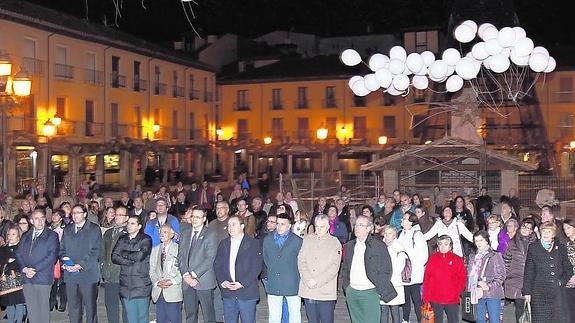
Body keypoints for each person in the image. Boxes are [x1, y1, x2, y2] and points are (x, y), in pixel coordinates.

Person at [341, 215, 397, 323]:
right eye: (356, 225)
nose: (357, 227)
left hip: (370, 292)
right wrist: (347, 287)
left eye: (361, 225)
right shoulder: (349, 246)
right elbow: (346, 268)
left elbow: (386, 270)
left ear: (369, 229)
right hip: (352, 291)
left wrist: (379, 290)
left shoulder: (378, 245)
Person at [214, 216, 263, 323]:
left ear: (242, 226)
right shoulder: (224, 244)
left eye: (233, 224)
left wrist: (242, 283)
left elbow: (256, 266)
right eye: (229, 225)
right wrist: (222, 281)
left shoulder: (253, 243)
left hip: (247, 291)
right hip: (228, 291)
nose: (230, 227)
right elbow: (217, 264)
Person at [523, 221, 573, 323]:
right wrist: (527, 291)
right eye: (544, 231)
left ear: (553, 234)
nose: (546, 234)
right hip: (538, 293)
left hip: (557, 293)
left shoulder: (561, 248)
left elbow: (568, 269)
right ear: (540, 232)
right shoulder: (533, 247)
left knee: (557, 319)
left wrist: (561, 282)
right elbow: (529, 271)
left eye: (549, 232)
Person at [15, 209, 60, 323]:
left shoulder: (51, 235)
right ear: (31, 221)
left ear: (45, 219)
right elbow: (18, 253)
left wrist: (34, 269)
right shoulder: (26, 235)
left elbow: (52, 256)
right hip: (27, 277)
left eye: (42, 218)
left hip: (43, 277)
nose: (40, 221)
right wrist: (24, 269)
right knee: (32, 308)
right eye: (36, 219)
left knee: (42, 309)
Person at [60, 204, 102, 323]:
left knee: (90, 307)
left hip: (87, 273)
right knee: (73, 307)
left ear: (84, 214)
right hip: (70, 274)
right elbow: (62, 249)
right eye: (73, 213)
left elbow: (96, 250)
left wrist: (80, 265)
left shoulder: (94, 229)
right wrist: (65, 263)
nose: (75, 215)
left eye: (78, 213)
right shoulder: (67, 229)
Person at [297, 214, 342, 323]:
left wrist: (317, 281)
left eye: (322, 227)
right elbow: (301, 260)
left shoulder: (334, 242)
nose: (319, 229)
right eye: (317, 226)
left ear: (327, 227)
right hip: (309, 289)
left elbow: (334, 267)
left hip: (325, 291)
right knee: (312, 320)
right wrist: (308, 278)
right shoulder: (307, 239)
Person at [178, 208, 218, 323]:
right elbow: (181, 256)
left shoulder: (211, 234)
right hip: (187, 281)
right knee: (190, 315)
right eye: (193, 217)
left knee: (208, 315)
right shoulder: (185, 233)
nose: (194, 219)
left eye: (198, 217)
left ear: (204, 219)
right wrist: (185, 275)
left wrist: (193, 275)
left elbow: (209, 258)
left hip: (203, 281)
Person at [262, 212, 303, 323]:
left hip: (292, 282)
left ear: (289, 225)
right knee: (274, 315)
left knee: (294, 314)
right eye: (278, 223)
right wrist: (274, 268)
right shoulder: (268, 240)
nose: (279, 227)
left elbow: (301, 261)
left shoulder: (297, 241)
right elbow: (266, 258)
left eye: (283, 224)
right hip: (274, 281)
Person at [112, 215, 153, 323]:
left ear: (139, 226)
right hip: (126, 284)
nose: (129, 226)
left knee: (142, 317)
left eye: (132, 223)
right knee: (131, 317)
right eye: (128, 223)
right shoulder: (122, 239)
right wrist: (128, 260)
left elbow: (140, 256)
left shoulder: (146, 239)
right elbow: (114, 257)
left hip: (141, 283)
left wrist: (123, 253)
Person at [422, 235, 466, 323]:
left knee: (453, 320)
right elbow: (427, 279)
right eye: (440, 244)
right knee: (437, 320)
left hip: (452, 298)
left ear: (450, 246)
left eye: (446, 244)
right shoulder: (432, 259)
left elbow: (462, 278)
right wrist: (426, 297)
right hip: (435, 297)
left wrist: (457, 291)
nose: (443, 247)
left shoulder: (457, 259)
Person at [502, 218, 537, 322]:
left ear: (532, 231)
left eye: (528, 228)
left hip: (532, 279)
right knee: (520, 307)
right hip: (516, 279)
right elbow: (506, 261)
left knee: (533, 308)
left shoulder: (537, 243)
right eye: (524, 227)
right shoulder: (511, 243)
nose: (525, 230)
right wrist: (508, 275)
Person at [467, 231, 506, 323]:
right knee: (479, 320)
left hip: (492, 293)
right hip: (476, 292)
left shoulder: (495, 255)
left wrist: (488, 286)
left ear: (487, 241)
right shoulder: (473, 257)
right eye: (476, 241)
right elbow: (469, 275)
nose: (478, 243)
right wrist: (472, 287)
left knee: (494, 320)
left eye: (481, 240)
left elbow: (501, 276)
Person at [398, 212, 429, 323]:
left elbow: (424, 256)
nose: (402, 220)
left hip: (414, 273)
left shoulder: (417, 234)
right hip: (403, 273)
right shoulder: (401, 233)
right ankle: (405, 319)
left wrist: (412, 267)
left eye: (405, 218)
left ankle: (421, 320)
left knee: (416, 299)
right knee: (405, 299)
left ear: (411, 221)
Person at [101, 207, 129, 323]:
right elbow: (103, 251)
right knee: (111, 305)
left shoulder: (129, 233)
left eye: (121, 215)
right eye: (116, 214)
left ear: (127, 218)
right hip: (109, 275)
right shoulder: (108, 233)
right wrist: (103, 265)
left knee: (126, 307)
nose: (117, 217)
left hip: (123, 275)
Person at [150, 224, 183, 323]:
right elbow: (152, 269)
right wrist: (157, 282)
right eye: (160, 232)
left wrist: (172, 281)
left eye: (165, 232)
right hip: (159, 291)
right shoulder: (155, 249)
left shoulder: (179, 249)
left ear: (172, 235)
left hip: (173, 291)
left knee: (175, 319)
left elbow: (183, 269)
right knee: (161, 319)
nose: (161, 234)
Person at [378, 225, 407, 323]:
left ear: (394, 235)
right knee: (383, 309)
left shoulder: (399, 248)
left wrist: (388, 278)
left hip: (394, 283)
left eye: (389, 233)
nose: (387, 236)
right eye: (385, 233)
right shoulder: (380, 246)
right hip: (383, 283)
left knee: (395, 310)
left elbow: (399, 267)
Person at [0, 225, 26, 323]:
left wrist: (10, 263)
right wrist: (9, 261)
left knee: (19, 303)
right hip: (6, 280)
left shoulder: (22, 248)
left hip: (19, 278)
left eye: (14, 234)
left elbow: (21, 262)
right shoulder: (3, 248)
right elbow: (2, 260)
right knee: (9, 304)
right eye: (9, 234)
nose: (10, 236)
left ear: (19, 236)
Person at [49, 210, 67, 312]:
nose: (54, 216)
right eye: (53, 214)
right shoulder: (48, 228)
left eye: (57, 215)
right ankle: (52, 300)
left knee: (63, 281)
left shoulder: (64, 229)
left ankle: (63, 302)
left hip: (61, 256)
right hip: (52, 257)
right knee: (53, 280)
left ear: (61, 218)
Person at [563, 219, 575, 322]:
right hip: (568, 281)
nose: (566, 230)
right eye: (564, 228)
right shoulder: (564, 244)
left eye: (568, 227)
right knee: (570, 311)